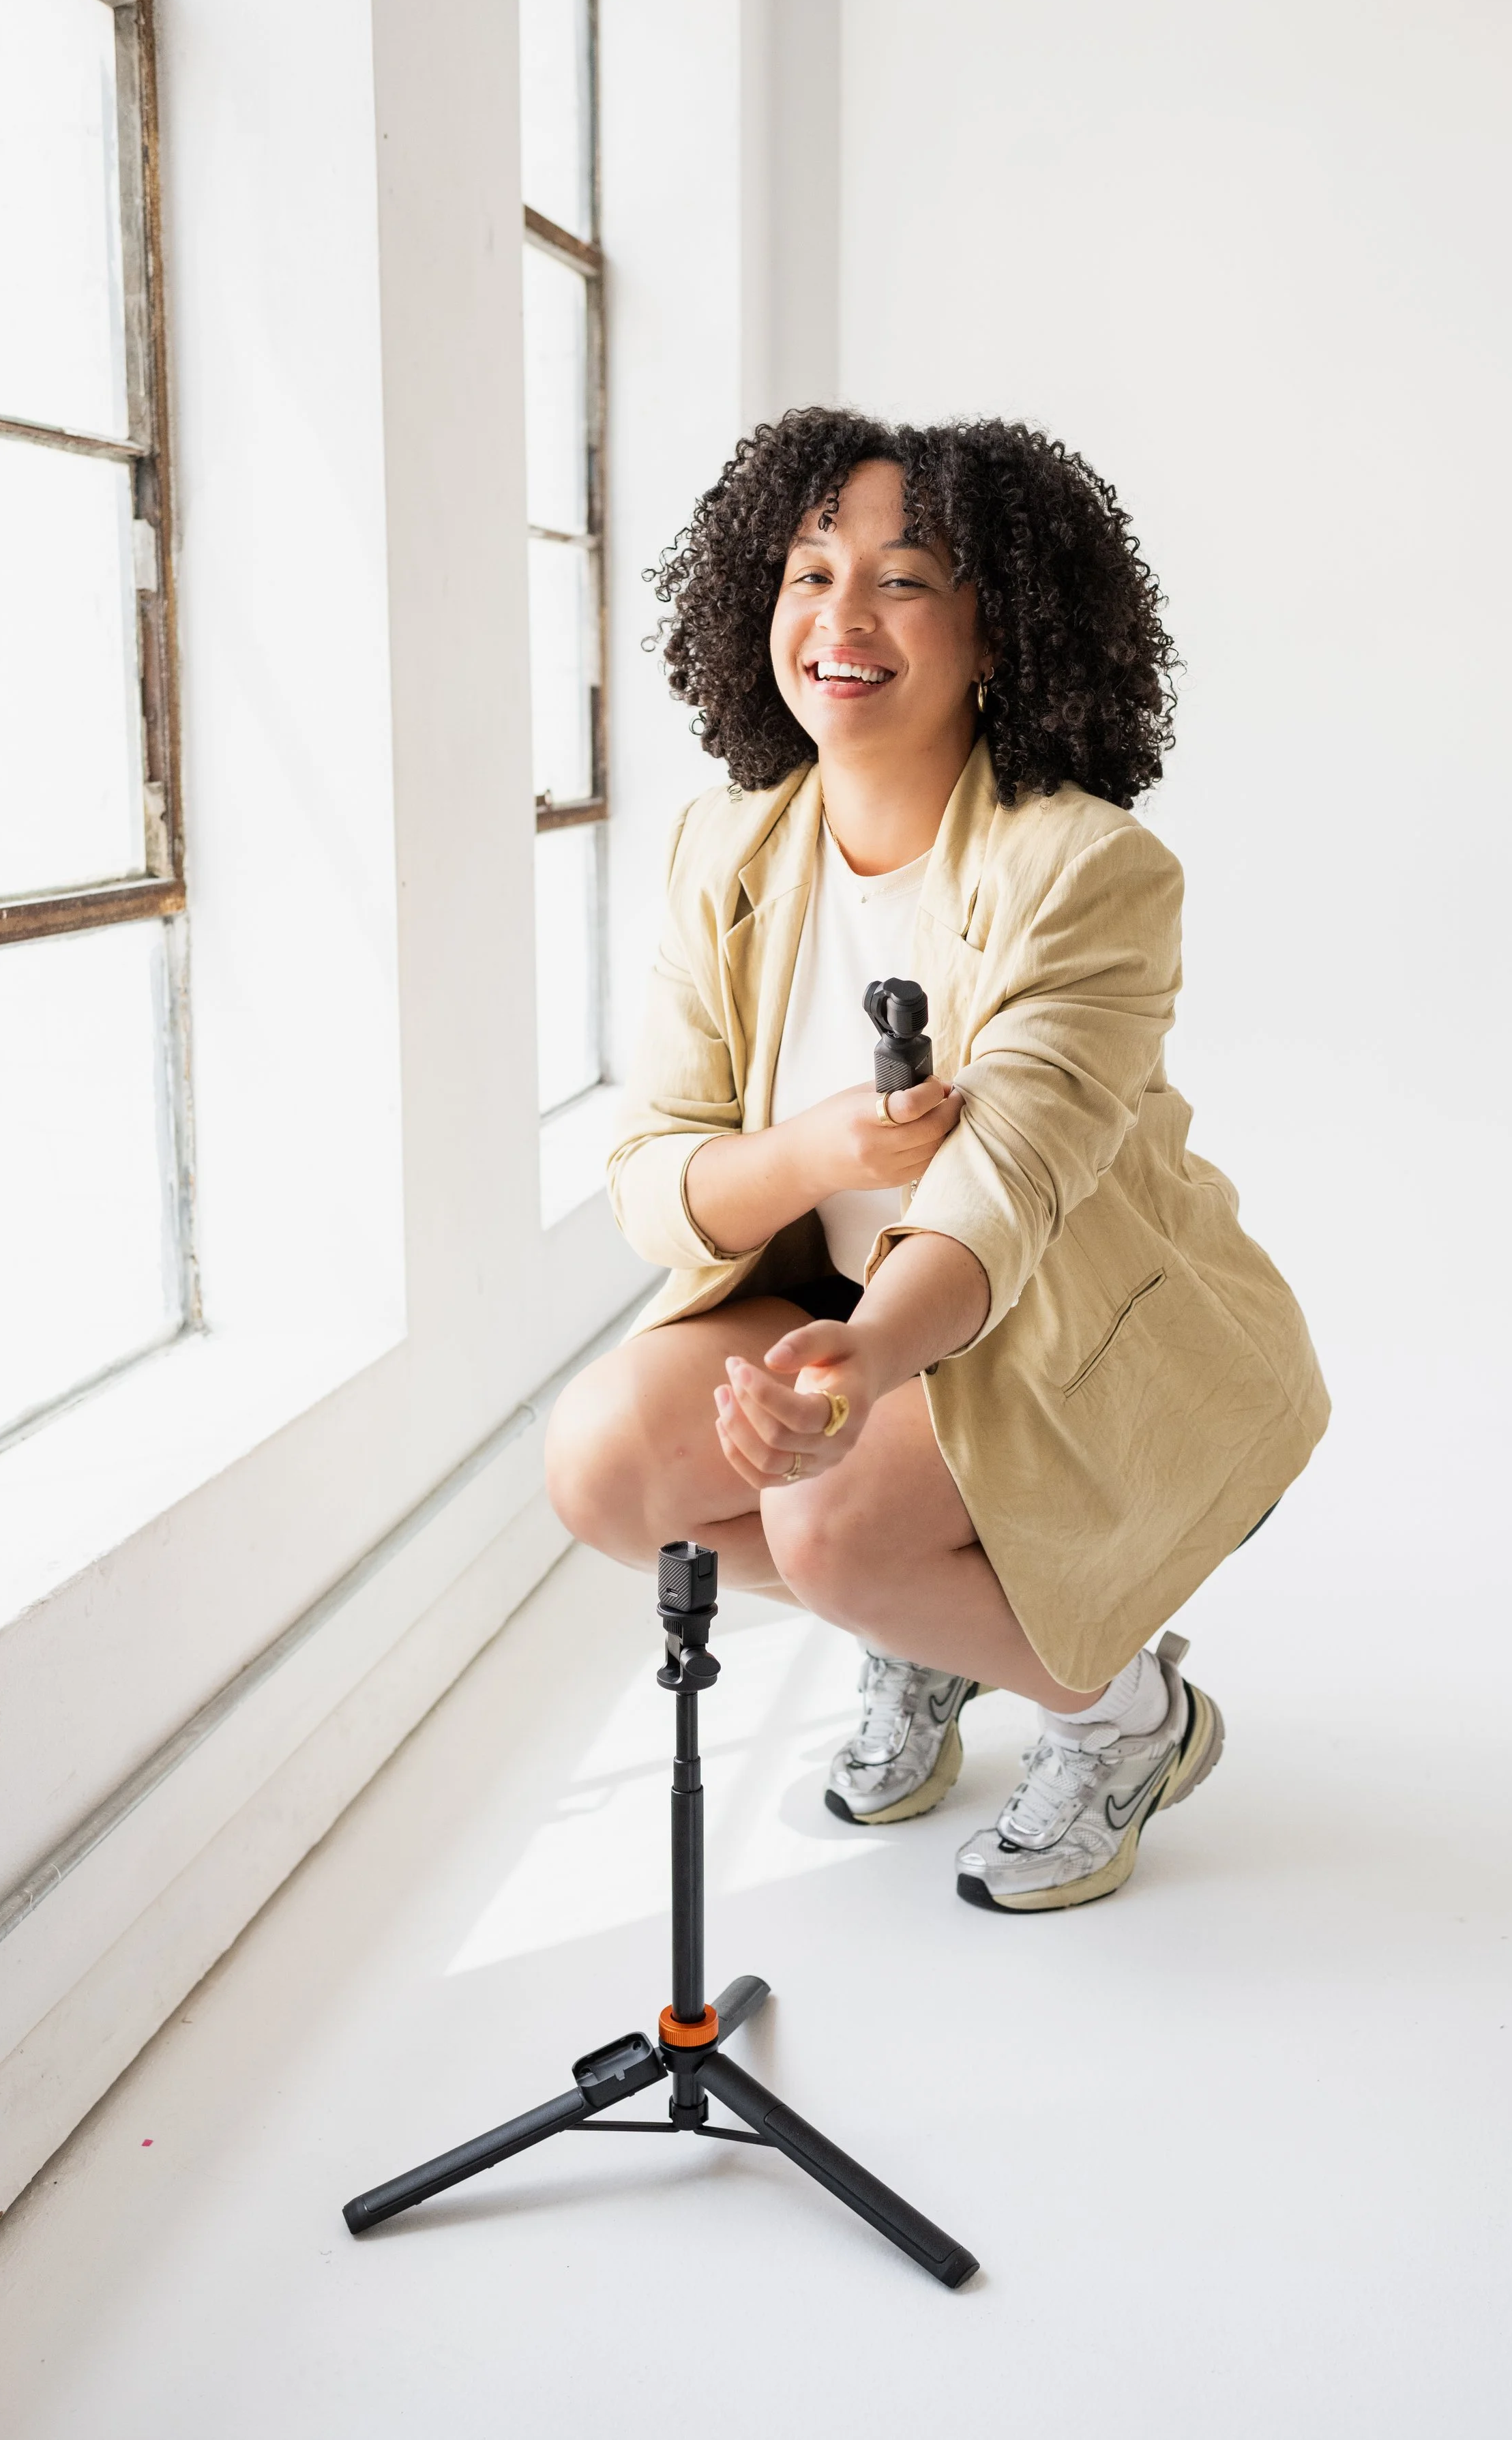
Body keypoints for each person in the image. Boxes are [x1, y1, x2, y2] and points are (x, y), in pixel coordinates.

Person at [546, 410, 1329, 1914]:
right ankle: (931, 1628)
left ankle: (1123, 1721)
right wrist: (817, 1149)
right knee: (601, 1466)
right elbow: (655, 1176)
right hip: (854, 1310)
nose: (838, 617)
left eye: (901, 580)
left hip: (1058, 1337)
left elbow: (1006, 1184)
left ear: (995, 634)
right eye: (807, 570)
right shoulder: (724, 849)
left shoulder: (1087, 869)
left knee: (825, 1526)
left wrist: (850, 1369)